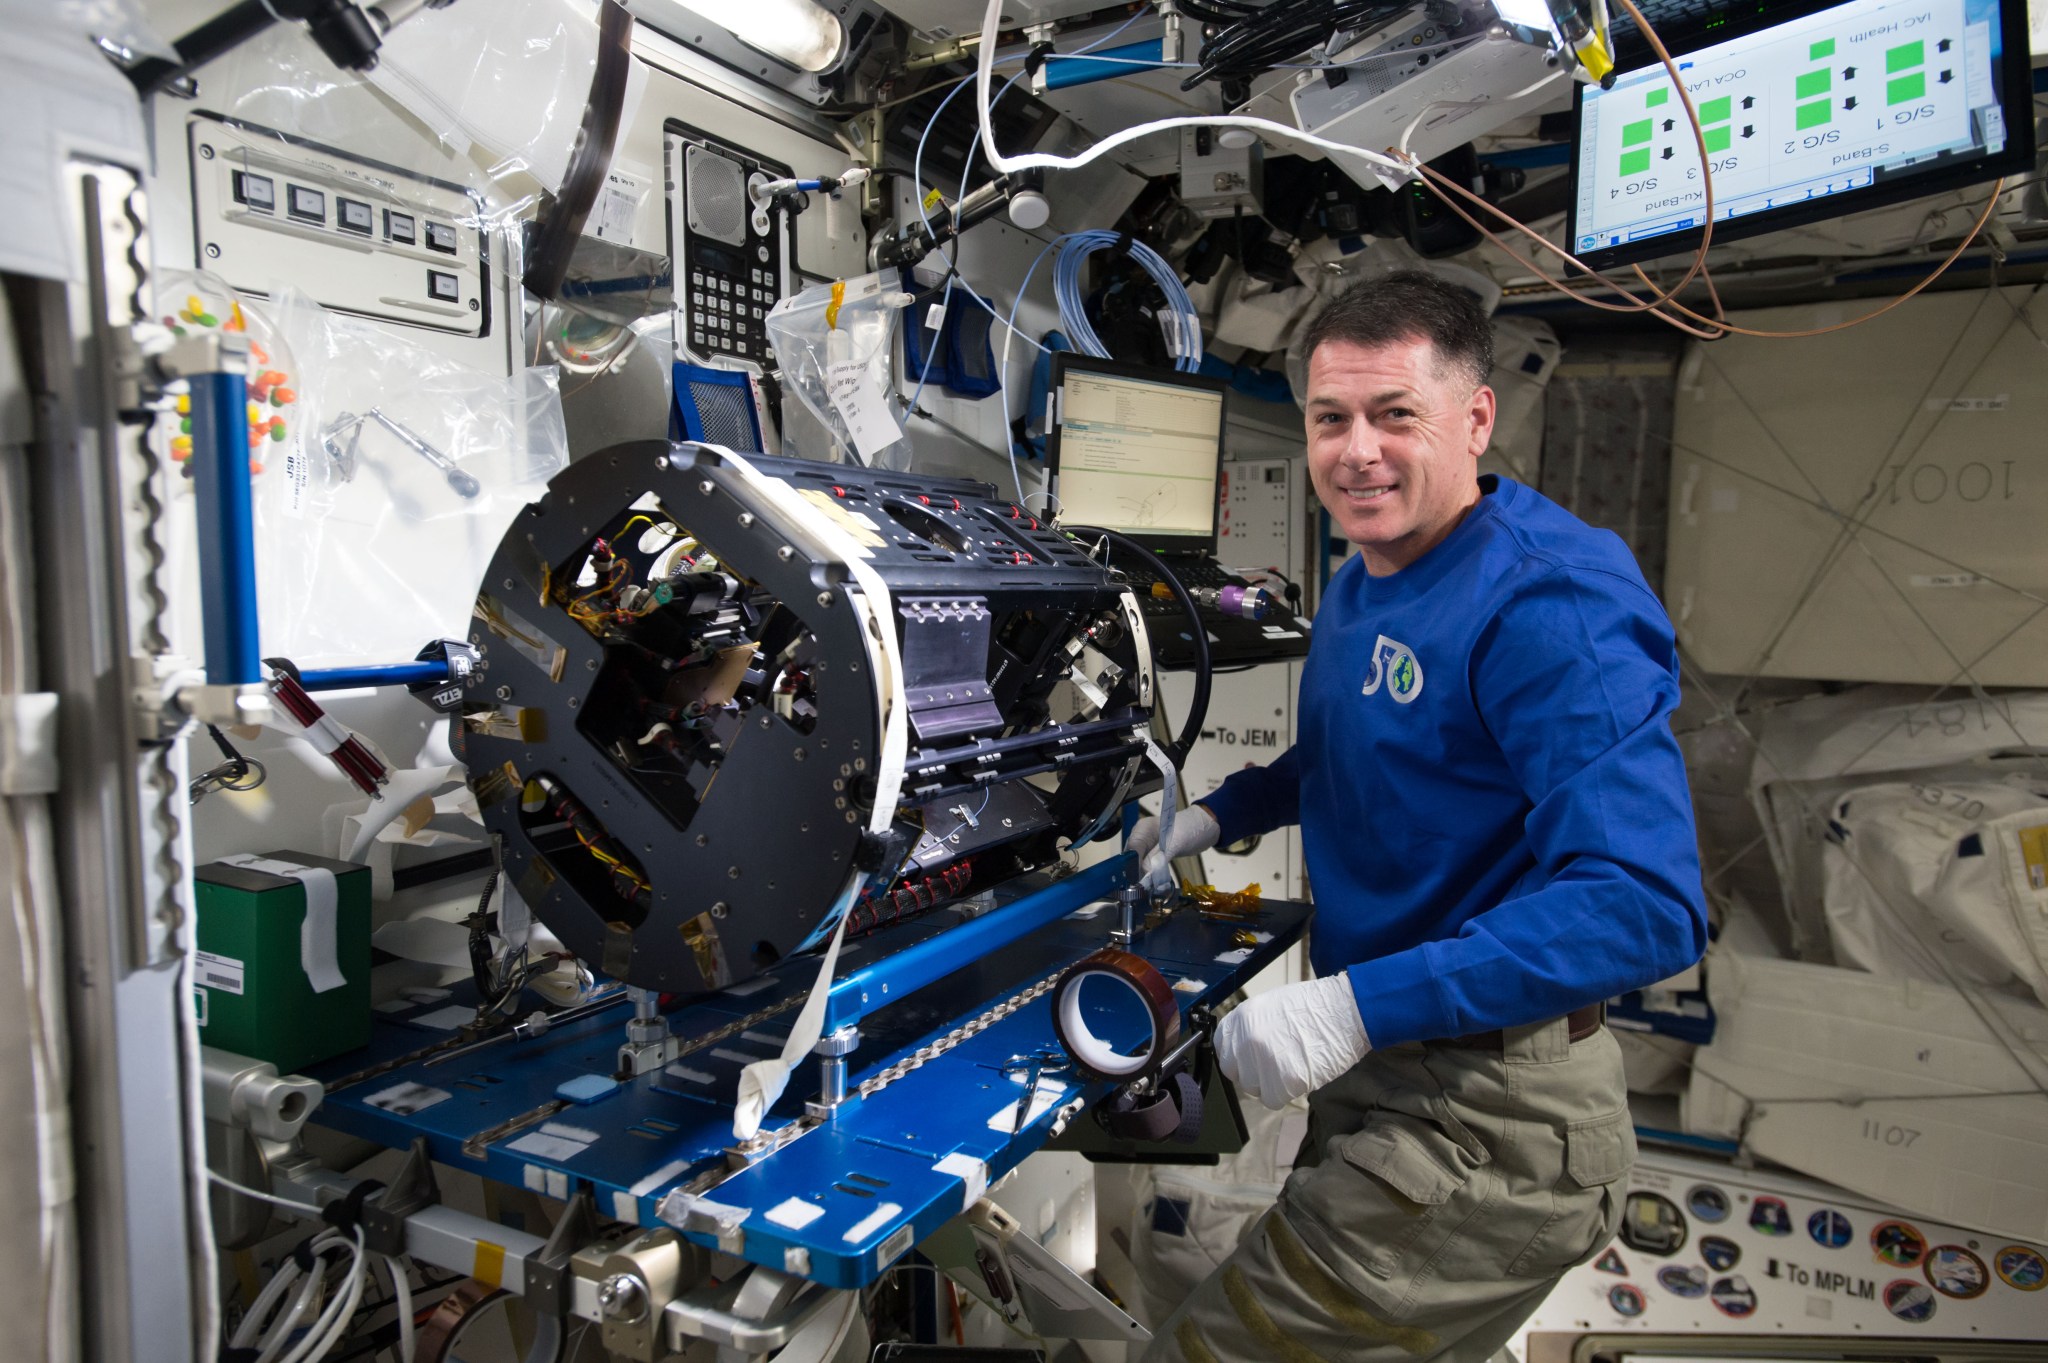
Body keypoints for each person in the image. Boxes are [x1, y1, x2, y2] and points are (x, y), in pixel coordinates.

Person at [1126, 271, 1708, 1363]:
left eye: (1395, 415)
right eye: (1329, 417)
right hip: (1390, 1070)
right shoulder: (1367, 568)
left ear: (1474, 418)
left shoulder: (1548, 603)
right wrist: (1214, 813)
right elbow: (1365, 747)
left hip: (1490, 1117)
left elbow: (1642, 906)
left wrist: (1345, 1008)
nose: (1357, 452)